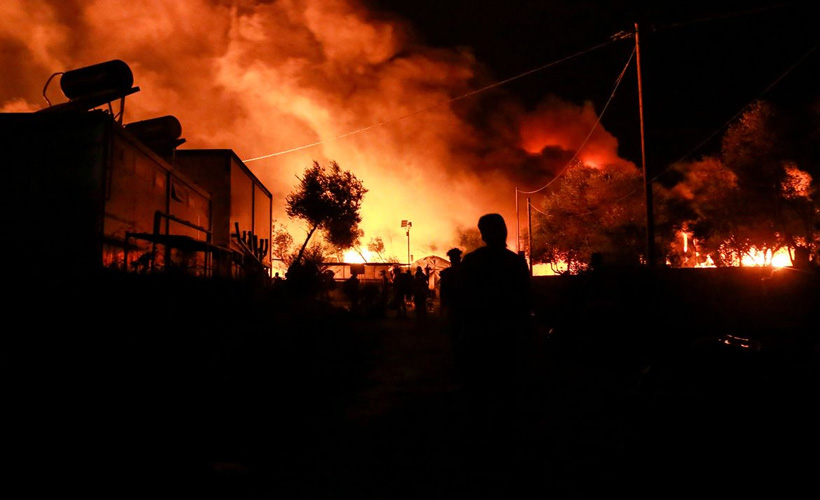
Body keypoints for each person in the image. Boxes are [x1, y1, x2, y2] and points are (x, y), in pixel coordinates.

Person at [454, 213, 533, 490]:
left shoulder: (473, 262)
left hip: (479, 338)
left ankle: (480, 455)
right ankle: (506, 453)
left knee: (478, 397)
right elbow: (526, 300)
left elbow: (462, 300)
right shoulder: (514, 262)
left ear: (484, 234)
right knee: (506, 397)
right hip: (506, 339)